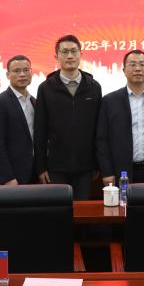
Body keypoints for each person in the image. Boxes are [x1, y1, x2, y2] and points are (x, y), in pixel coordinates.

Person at [34, 35, 103, 199]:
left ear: (81, 54)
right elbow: (40, 130)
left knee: (82, 211)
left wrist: (98, 164)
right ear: (56, 56)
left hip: (86, 166)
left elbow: (99, 129)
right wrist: (41, 167)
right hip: (55, 167)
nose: (70, 56)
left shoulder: (94, 87)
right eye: (64, 52)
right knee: (58, 210)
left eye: (74, 51)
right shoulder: (46, 88)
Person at [97, 49, 144, 186]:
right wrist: (107, 172)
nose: (138, 68)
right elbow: (102, 140)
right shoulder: (109, 101)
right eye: (132, 64)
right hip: (121, 171)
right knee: (123, 201)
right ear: (124, 70)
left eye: (142, 64)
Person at [0, 54, 37, 185]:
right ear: (8, 75)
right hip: (13, 175)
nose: (22, 74)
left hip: (35, 173)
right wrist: (8, 177)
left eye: (26, 70)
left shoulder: (34, 102)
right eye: (16, 71)